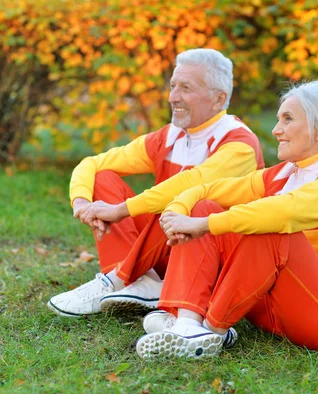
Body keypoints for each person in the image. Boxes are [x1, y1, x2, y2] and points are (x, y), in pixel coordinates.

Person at [136, 80, 318, 359]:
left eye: (287, 119)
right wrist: (179, 209)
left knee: (271, 229)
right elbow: (210, 189)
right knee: (205, 206)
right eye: (278, 119)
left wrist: (203, 226)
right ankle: (186, 322)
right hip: (277, 307)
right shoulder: (286, 173)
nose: (276, 130)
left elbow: (280, 213)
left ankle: (210, 332)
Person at [47, 48, 265, 317]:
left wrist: (118, 210)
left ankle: (119, 279)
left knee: (187, 201)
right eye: (173, 86)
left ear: (218, 98)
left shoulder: (239, 143)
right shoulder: (168, 136)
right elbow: (92, 163)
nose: (173, 97)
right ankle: (137, 284)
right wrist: (81, 201)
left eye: (186, 88)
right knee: (102, 179)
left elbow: (188, 186)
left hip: (212, 258)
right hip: (164, 245)